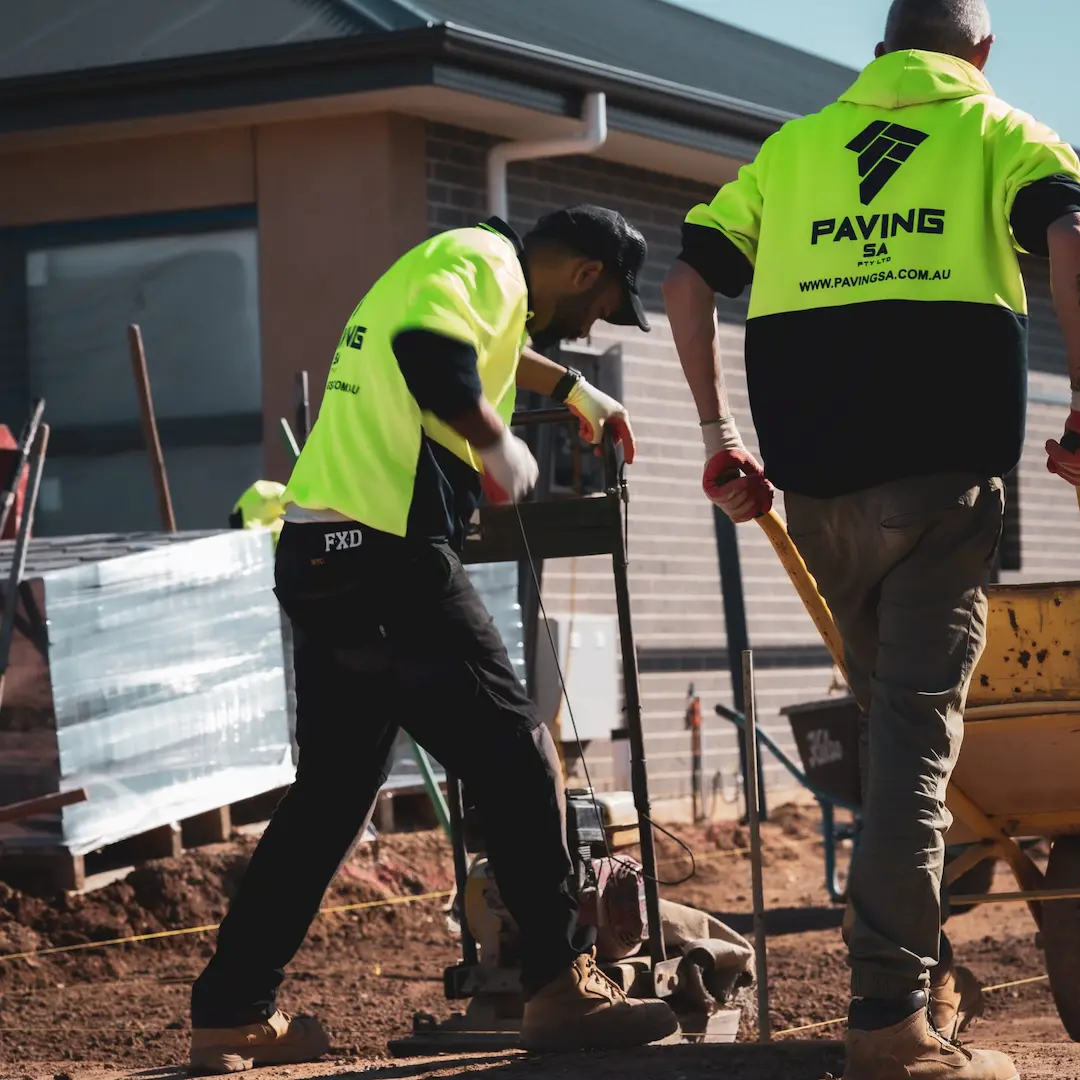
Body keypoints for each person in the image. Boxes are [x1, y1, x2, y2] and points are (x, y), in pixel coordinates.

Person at [663, 1, 1080, 1077]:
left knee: (889, 738)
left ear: (882, 48)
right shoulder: (1001, 132)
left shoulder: (794, 149)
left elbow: (690, 275)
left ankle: (915, 979)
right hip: (943, 483)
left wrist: (719, 436)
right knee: (910, 757)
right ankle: (891, 1021)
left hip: (819, 493)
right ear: (979, 51)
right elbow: (1073, 234)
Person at [186, 205, 679, 1073]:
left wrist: (569, 390)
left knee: (331, 797)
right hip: (387, 555)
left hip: (318, 553)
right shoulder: (489, 263)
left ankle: (231, 1013)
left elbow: (469, 346)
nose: (587, 328)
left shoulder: (451, 266)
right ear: (586, 275)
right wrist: (496, 443)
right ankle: (561, 986)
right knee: (520, 751)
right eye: (597, 313)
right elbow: (429, 353)